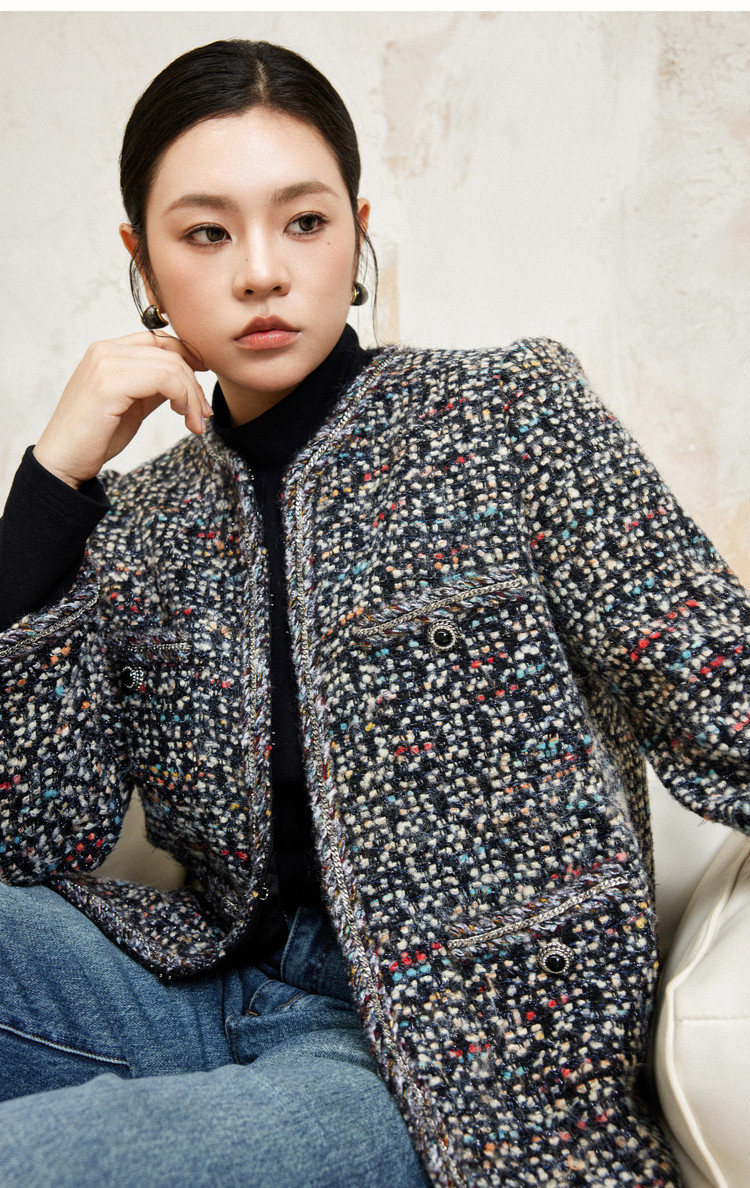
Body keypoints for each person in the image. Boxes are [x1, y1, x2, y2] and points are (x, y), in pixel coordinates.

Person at [0, 36, 747, 1188]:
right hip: (195, 985)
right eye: (207, 234)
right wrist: (50, 487)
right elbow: (35, 841)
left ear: (355, 232)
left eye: (303, 222)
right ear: (140, 259)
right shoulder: (136, 525)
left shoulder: (507, 416)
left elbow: (720, 683)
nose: (261, 272)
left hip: (448, 1060)